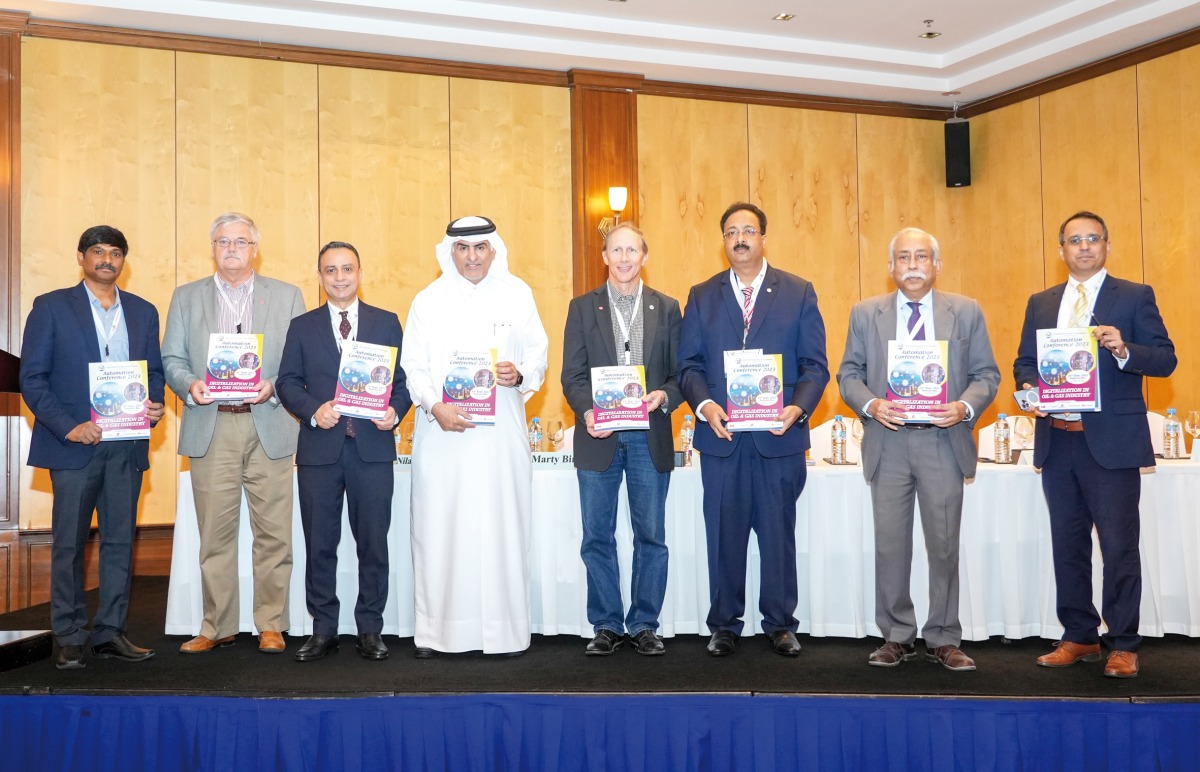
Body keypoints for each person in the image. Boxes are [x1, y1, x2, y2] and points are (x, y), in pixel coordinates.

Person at [1014, 211, 1176, 679]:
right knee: (1068, 545)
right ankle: (1080, 635)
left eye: (1092, 239)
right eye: (1074, 240)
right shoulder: (1041, 302)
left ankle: (1123, 642)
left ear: (1106, 245)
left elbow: (1166, 359)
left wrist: (1124, 349)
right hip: (1057, 441)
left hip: (1112, 445)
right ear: (1061, 248)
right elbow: (1025, 361)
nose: (1083, 247)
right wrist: (1030, 390)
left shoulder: (1134, 296)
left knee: (1120, 547)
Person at [837, 227, 1000, 672]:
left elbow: (987, 374)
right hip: (888, 442)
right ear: (890, 268)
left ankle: (944, 637)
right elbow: (849, 373)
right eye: (903, 257)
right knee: (891, 545)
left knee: (944, 544)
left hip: (942, 442)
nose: (912, 264)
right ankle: (896, 635)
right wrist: (871, 403)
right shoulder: (865, 313)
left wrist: (964, 406)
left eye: (922, 256)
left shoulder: (965, 312)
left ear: (937, 265)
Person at [678, 202, 829, 657]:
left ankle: (780, 623)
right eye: (730, 232)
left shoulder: (798, 292)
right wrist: (704, 406)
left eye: (748, 230)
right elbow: (688, 365)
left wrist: (797, 410)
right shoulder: (702, 295)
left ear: (764, 237)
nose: (739, 238)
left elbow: (815, 366)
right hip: (721, 438)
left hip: (778, 438)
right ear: (722, 241)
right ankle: (724, 624)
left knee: (777, 533)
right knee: (723, 534)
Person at [400, 216, 549, 657]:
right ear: (450, 252)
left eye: (480, 248)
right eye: (463, 249)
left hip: (500, 435)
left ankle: (502, 630)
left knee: (501, 525)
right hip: (443, 436)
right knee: (441, 527)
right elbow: (414, 366)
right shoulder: (428, 300)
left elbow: (538, 356)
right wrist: (433, 405)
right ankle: (438, 632)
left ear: (493, 251)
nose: (472, 257)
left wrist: (519, 372)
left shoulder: (518, 294)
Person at [19, 225, 166, 670]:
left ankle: (109, 632)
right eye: (98, 251)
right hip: (74, 446)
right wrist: (69, 427)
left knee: (121, 542)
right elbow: (33, 380)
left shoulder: (143, 311)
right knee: (69, 544)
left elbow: (154, 372)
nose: (107, 259)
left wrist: (154, 404)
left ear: (124, 260)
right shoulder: (51, 307)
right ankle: (67, 635)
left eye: (115, 252)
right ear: (81, 257)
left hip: (126, 445)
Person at [162, 212, 307, 655]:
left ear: (255, 248)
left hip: (271, 422)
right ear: (212, 248)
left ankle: (271, 623)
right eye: (223, 241)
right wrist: (190, 385)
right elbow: (171, 358)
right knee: (216, 535)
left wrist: (274, 386)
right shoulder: (187, 297)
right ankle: (216, 625)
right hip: (212, 423)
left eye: (241, 241)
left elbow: (299, 360)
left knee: (274, 533)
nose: (231, 249)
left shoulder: (287, 296)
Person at [277, 241, 412, 662]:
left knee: (373, 542)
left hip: (372, 451)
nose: (339, 277)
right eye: (330, 270)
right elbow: (286, 383)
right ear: (320, 277)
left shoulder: (386, 322)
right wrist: (314, 410)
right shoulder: (302, 326)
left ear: (359, 273)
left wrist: (394, 411)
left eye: (347, 269)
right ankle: (323, 629)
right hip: (320, 452)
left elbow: (403, 384)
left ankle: (370, 628)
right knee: (320, 543)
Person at [561, 222, 682, 656]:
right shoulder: (581, 308)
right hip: (599, 437)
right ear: (605, 257)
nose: (625, 258)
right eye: (617, 250)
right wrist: (589, 411)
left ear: (645, 256)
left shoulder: (667, 308)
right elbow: (571, 376)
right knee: (598, 535)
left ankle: (646, 623)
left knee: (651, 535)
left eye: (633, 250)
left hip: (650, 437)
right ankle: (607, 624)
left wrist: (664, 396)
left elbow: (680, 376)